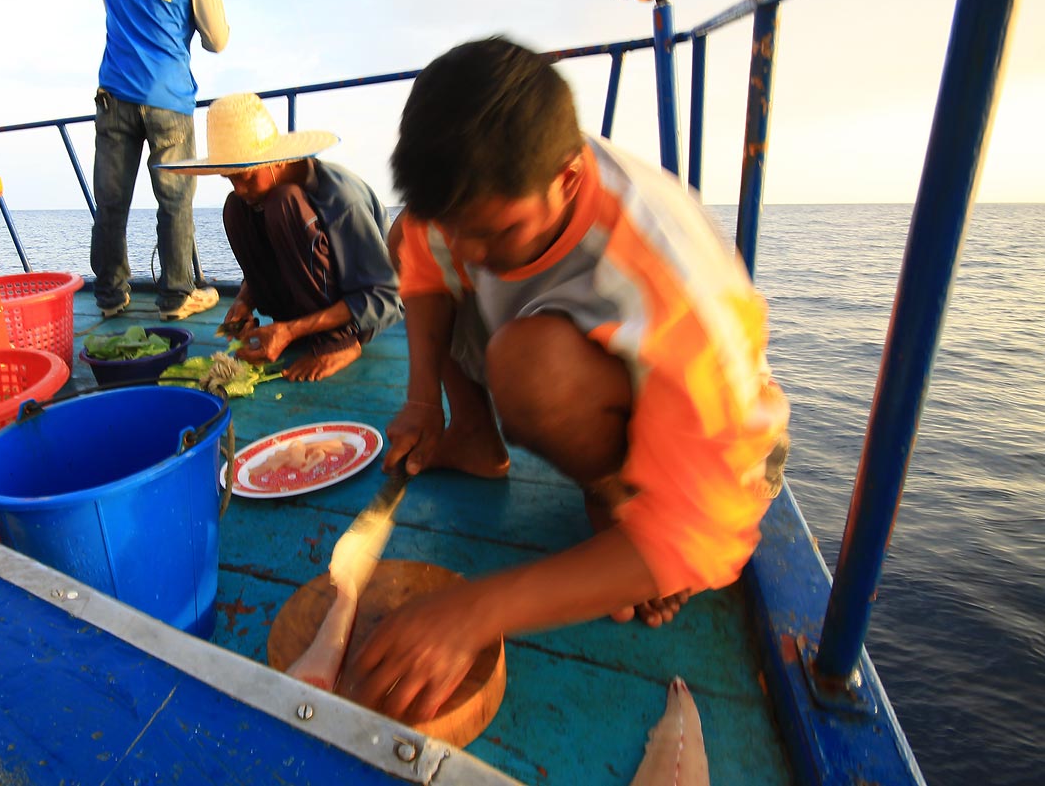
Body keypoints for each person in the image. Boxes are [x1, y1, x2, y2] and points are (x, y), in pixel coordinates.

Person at [338, 37, 790, 723]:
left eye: (498, 231)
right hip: (554, 335)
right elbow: (427, 260)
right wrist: (422, 399)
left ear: (571, 178)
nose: (465, 252)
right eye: (457, 227)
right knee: (416, 233)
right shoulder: (471, 200)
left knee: (532, 369)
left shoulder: (671, 276)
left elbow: (714, 525)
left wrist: (477, 609)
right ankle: (476, 440)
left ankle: (620, 500)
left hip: (722, 450)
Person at [157, 93, 402, 381]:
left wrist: (290, 331)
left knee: (283, 202)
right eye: (230, 178)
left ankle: (341, 342)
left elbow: (385, 297)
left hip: (361, 318)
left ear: (275, 162)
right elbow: (278, 255)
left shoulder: (342, 199)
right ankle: (296, 328)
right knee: (234, 208)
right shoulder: (251, 198)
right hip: (304, 308)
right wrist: (244, 301)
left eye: (245, 176)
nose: (239, 188)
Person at [92, 0, 229, 321]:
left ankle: (110, 296)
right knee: (174, 201)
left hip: (113, 96)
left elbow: (126, 19)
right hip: (167, 100)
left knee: (111, 202)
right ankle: (175, 296)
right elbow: (217, 40)